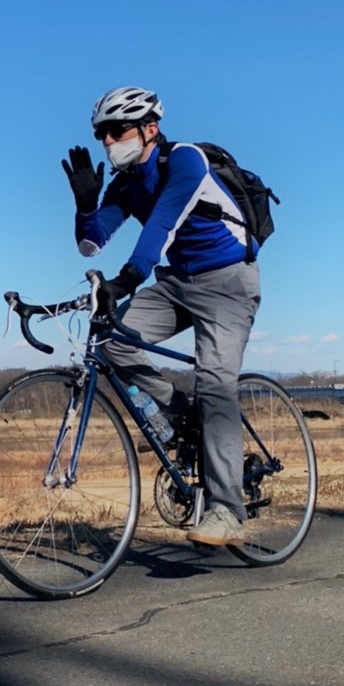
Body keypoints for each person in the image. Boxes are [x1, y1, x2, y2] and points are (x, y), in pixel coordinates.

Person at [61, 85, 261, 547]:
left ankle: (227, 512)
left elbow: (162, 225)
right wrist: (85, 205)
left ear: (150, 128)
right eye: (102, 135)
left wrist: (127, 280)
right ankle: (182, 415)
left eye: (118, 130)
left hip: (229, 282)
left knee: (215, 384)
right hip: (176, 283)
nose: (110, 142)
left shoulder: (185, 160)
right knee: (111, 343)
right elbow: (90, 243)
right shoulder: (125, 184)